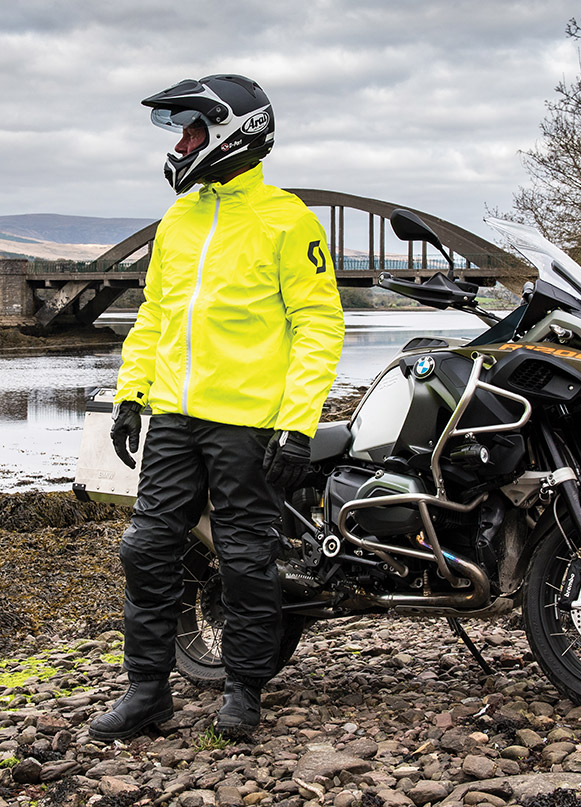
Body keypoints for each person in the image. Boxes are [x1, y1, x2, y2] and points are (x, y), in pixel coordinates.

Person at [88, 74, 345, 740]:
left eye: (193, 130)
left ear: (234, 132)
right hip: (173, 413)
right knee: (146, 547)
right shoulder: (181, 218)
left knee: (245, 557)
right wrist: (130, 394)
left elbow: (319, 325)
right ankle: (147, 691)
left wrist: (297, 424)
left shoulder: (288, 219)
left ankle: (243, 691)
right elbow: (154, 316)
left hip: (248, 422)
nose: (181, 143)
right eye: (181, 132)